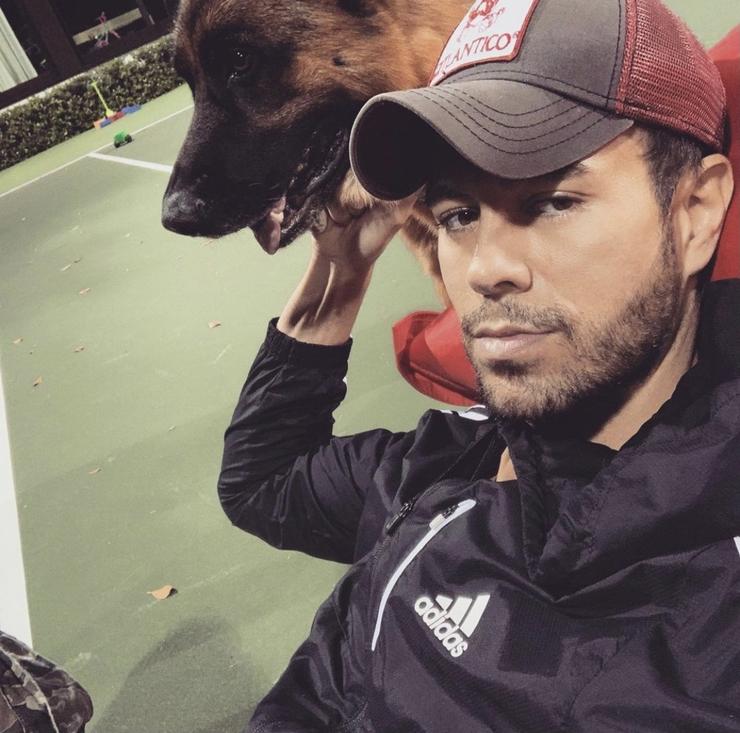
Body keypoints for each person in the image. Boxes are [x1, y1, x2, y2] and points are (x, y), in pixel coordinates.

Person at [218, 0, 739, 730]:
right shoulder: (461, 449)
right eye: (459, 214)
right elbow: (263, 483)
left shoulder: (707, 622)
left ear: (696, 210)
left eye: (551, 201)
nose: (485, 268)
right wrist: (339, 272)